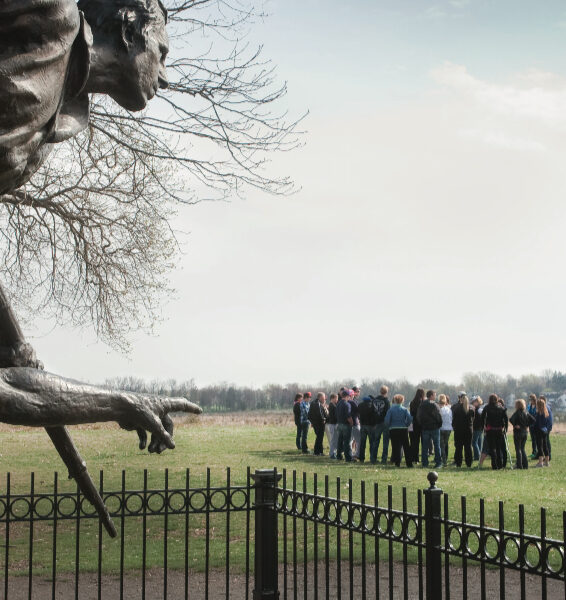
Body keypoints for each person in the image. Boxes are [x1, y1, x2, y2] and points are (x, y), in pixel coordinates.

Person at [0, 0, 169, 195]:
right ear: (129, 34)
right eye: (161, 54)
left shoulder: (60, 125)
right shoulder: (53, 12)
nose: (164, 78)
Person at [384, 394, 413, 468]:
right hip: (403, 429)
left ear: (395, 400)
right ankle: (409, 463)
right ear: (402, 401)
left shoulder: (391, 410)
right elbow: (409, 418)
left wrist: (389, 426)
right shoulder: (404, 409)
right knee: (406, 446)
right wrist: (406, 424)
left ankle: (397, 463)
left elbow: (387, 420)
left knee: (395, 446)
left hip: (393, 429)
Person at [416, 390, 442, 469]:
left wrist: (422, 424)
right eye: (434, 395)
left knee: (425, 447)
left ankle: (425, 463)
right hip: (434, 427)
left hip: (425, 428)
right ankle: (438, 463)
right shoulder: (435, 405)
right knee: (437, 446)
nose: (435, 396)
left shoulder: (422, 405)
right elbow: (439, 416)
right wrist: (439, 425)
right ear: (431, 396)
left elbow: (418, 416)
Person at [481, 394, 508, 470]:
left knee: (492, 448)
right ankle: (499, 464)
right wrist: (505, 428)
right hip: (499, 430)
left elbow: (482, 417)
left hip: (490, 430)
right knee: (498, 448)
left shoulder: (487, 408)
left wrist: (484, 426)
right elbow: (506, 419)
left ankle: (494, 464)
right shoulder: (501, 408)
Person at [509, 399, 534, 469]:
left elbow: (511, 419)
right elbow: (533, 420)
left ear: (517, 405)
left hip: (518, 433)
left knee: (518, 449)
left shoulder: (517, 413)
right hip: (525, 432)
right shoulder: (526, 413)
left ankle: (519, 465)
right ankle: (525, 465)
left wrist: (515, 425)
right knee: (522, 449)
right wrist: (526, 425)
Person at [451, 394, 474, 468]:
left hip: (458, 430)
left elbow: (454, 419)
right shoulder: (472, 408)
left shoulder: (456, 408)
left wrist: (454, 426)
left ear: (461, 400)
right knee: (468, 447)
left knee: (459, 447)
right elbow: (473, 419)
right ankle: (469, 463)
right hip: (468, 429)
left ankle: (458, 463)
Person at [372, 386, 391, 464]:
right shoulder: (386, 401)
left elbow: (372, 412)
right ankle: (384, 459)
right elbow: (388, 413)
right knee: (385, 442)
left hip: (377, 423)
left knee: (376, 441)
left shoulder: (374, 400)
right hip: (385, 423)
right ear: (386, 392)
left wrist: (374, 423)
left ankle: (373, 459)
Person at [358, 396, 378, 463]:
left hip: (362, 425)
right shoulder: (372, 406)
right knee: (372, 443)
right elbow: (375, 416)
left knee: (362, 443)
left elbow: (358, 414)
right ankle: (372, 458)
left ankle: (361, 458)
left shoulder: (360, 405)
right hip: (370, 426)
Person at [534, 397, 552, 468]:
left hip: (539, 431)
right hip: (545, 431)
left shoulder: (539, 413)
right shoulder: (546, 413)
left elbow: (538, 423)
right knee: (545, 446)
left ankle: (540, 462)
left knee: (540, 447)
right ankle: (547, 462)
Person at [336, 390, 353, 462]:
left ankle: (339, 455)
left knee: (340, 440)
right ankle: (348, 457)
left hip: (339, 423)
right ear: (347, 396)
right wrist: (351, 423)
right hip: (346, 424)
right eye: (349, 396)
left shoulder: (338, 403)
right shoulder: (347, 404)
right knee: (347, 441)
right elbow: (348, 415)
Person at [409, 388, 425, 464]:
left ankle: (414, 458)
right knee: (423, 442)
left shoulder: (412, 402)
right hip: (422, 424)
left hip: (414, 424)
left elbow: (411, 413)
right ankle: (423, 458)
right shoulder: (423, 402)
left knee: (414, 442)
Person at [438, 394, 452, 467]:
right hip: (448, 428)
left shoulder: (439, 409)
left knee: (441, 446)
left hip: (441, 428)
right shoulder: (449, 409)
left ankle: (444, 461)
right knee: (445, 445)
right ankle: (445, 458)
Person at [350, 386, 362, 460]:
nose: (358, 393)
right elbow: (357, 412)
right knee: (357, 439)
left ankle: (352, 453)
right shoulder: (353, 401)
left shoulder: (354, 401)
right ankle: (356, 454)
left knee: (352, 440)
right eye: (357, 391)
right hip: (354, 422)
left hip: (353, 422)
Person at [325, 393, 339, 459]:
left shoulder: (333, 405)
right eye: (336, 398)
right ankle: (332, 454)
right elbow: (333, 416)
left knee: (334, 439)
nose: (337, 400)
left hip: (332, 424)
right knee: (333, 440)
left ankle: (333, 453)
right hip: (332, 424)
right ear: (333, 398)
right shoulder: (332, 405)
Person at [471, 396, 484, 461]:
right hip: (480, 428)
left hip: (477, 428)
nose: (473, 403)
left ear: (477, 402)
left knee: (474, 442)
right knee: (479, 442)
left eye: (474, 402)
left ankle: (477, 456)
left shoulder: (479, 410)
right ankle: (478, 455)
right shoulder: (479, 409)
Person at [527, 394, 538, 459]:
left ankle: (538, 453)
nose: (530, 400)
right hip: (531, 425)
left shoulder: (537, 406)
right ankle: (533, 452)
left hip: (536, 425)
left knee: (537, 440)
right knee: (533, 439)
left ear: (534, 399)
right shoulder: (529, 406)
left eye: (531, 399)